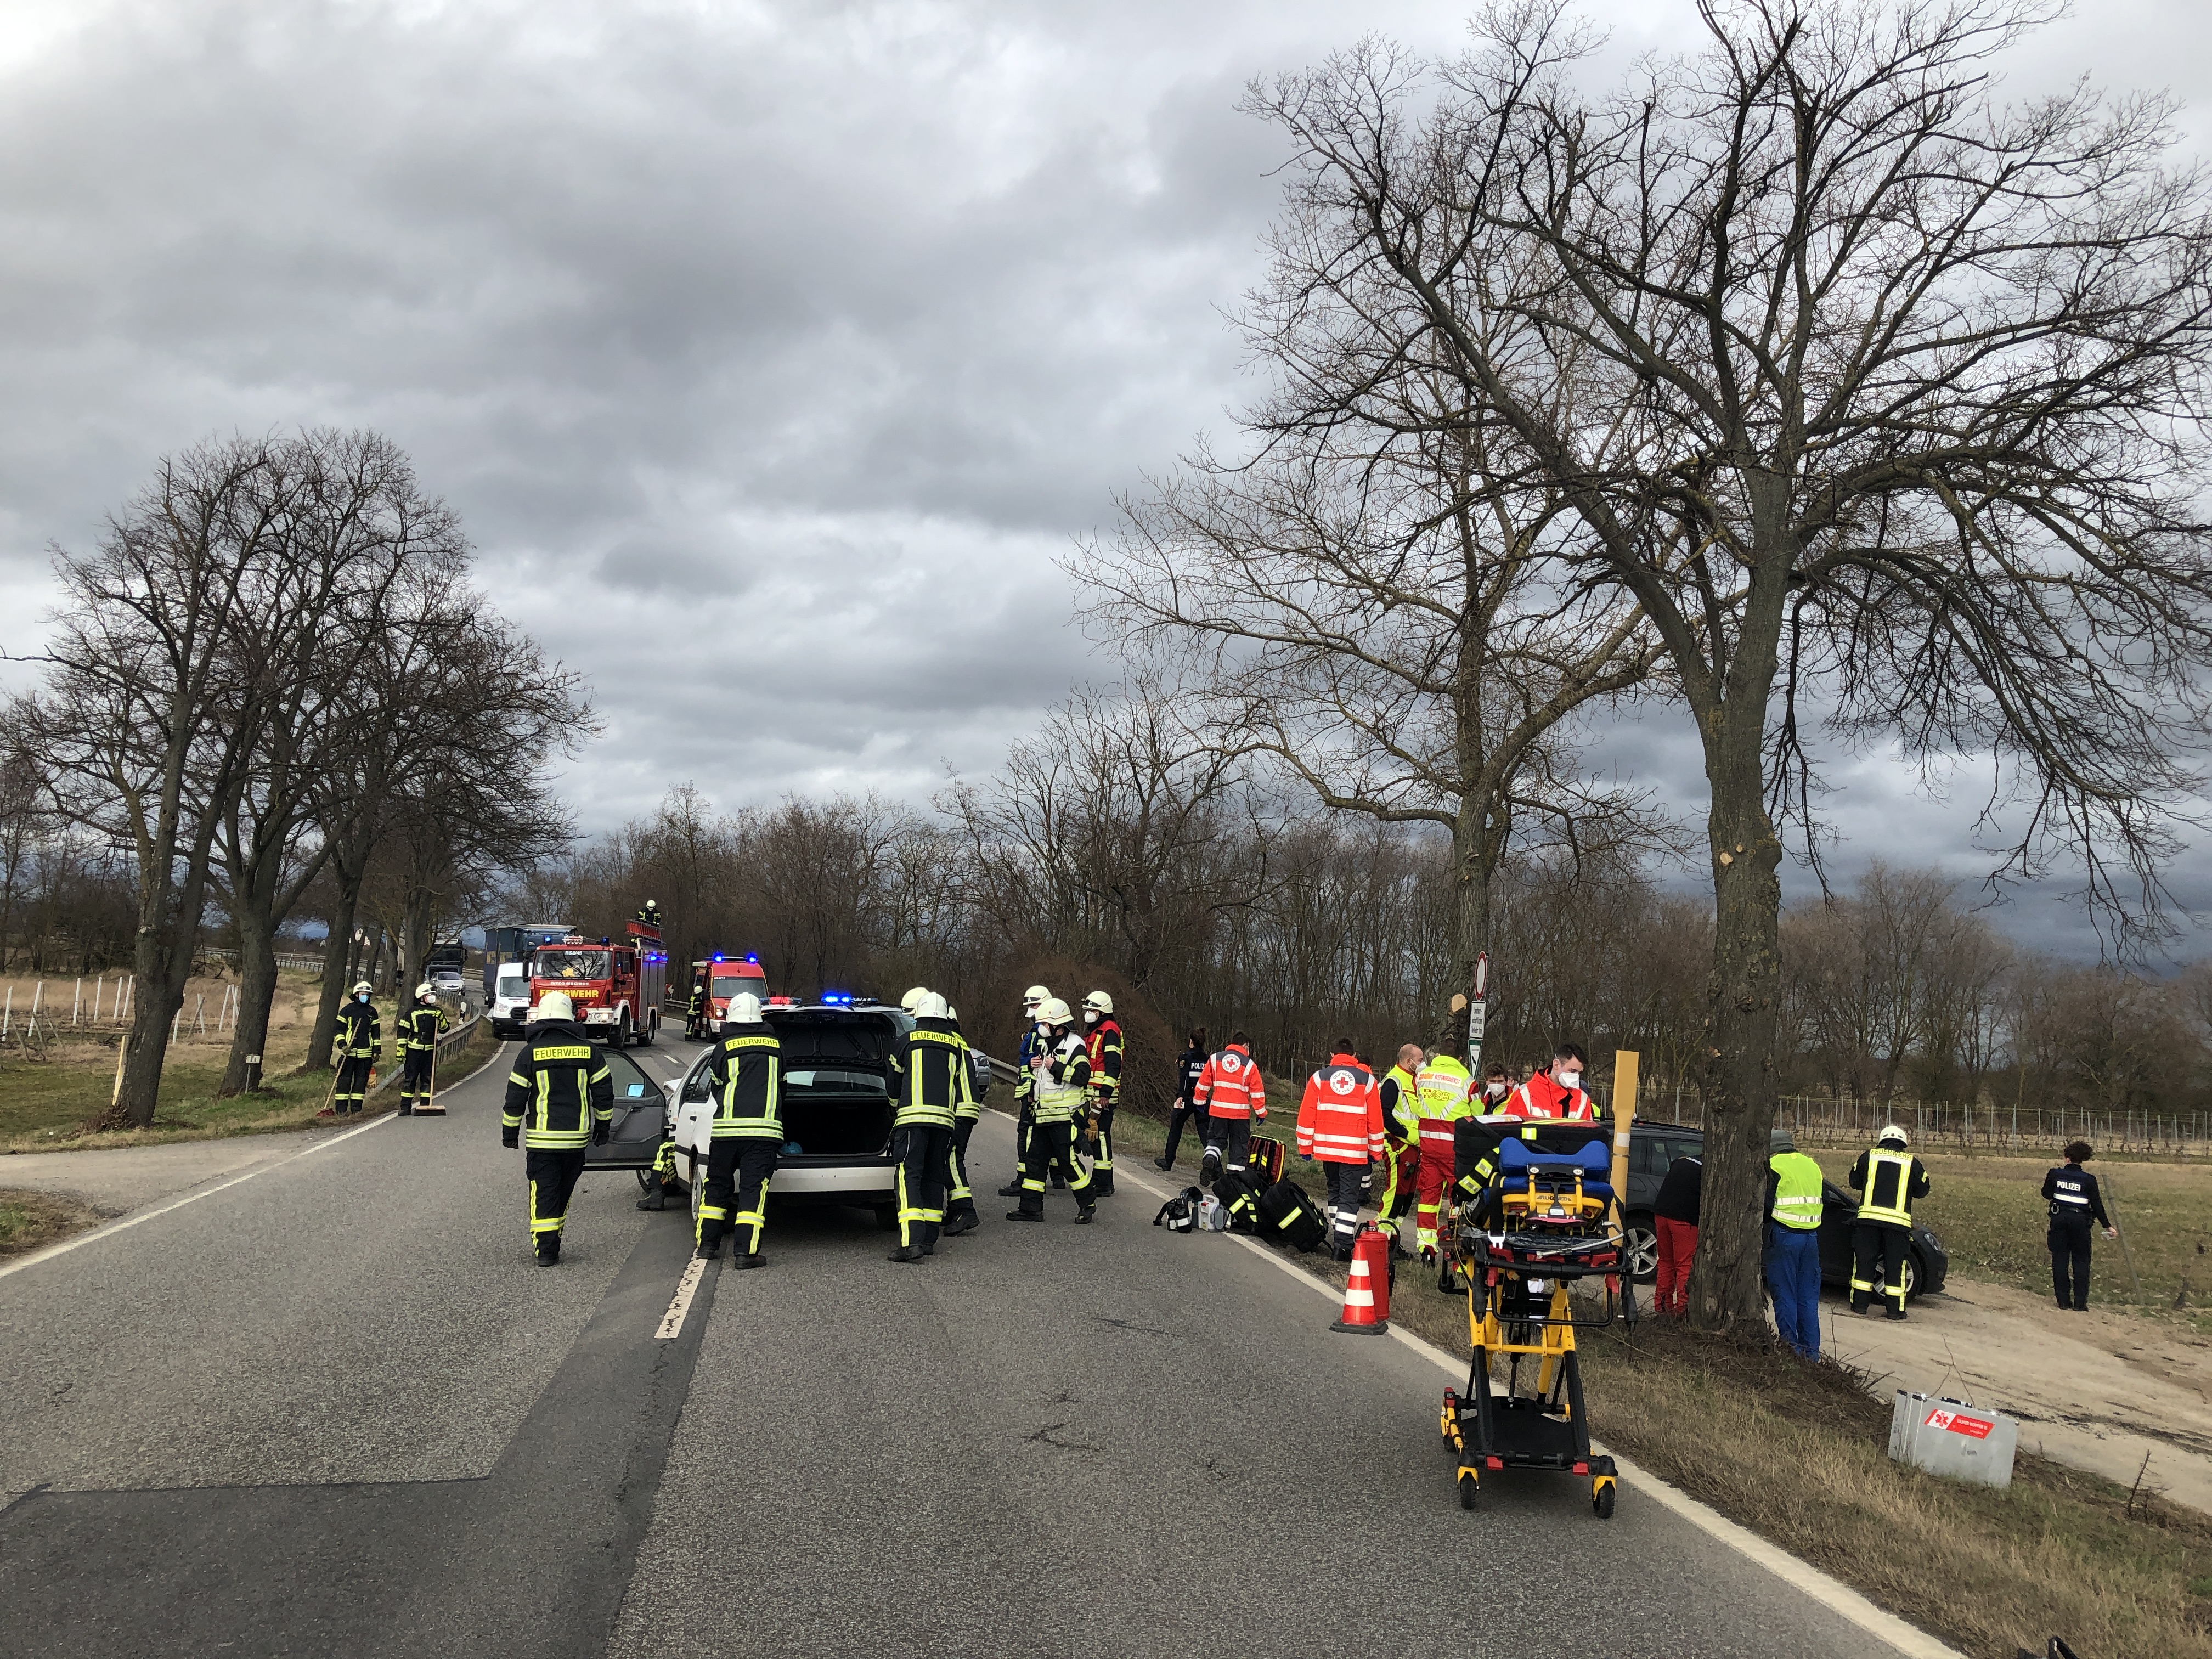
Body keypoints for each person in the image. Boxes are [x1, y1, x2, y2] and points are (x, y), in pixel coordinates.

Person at [500, 991, 613, 1265]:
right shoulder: (589, 1051)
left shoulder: (530, 1053)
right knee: (563, 1190)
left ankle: (547, 1250)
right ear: (570, 1018)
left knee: (544, 1191)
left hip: (543, 1140)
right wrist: (603, 1128)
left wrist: (510, 1133)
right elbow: (604, 1093)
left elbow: (515, 1098)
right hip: (576, 1140)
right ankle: (553, 1237)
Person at [693, 991, 781, 1267]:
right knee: (753, 1191)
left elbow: (717, 1086)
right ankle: (745, 1253)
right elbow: (783, 1087)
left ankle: (707, 1245)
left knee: (717, 1187)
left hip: (726, 1132)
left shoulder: (723, 1048)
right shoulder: (776, 1048)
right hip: (763, 1133)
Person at [888, 992, 970, 1261]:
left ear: (919, 1016)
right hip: (945, 1123)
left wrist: (893, 1108)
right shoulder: (956, 1045)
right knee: (934, 1176)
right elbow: (962, 1085)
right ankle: (928, 1240)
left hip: (912, 1121)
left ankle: (910, 1241)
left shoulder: (906, 1041)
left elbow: (893, 1084)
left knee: (909, 1176)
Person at [1008, 997, 1098, 1224]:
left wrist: (1055, 1067)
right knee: (1035, 1162)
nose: (1042, 1028)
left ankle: (1088, 1204)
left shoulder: (1075, 1044)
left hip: (1065, 1117)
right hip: (1043, 1115)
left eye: (1046, 1024)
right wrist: (1032, 1075)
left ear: (1058, 1025)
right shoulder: (1046, 1045)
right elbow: (1043, 1079)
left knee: (1068, 1163)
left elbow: (1082, 1077)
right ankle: (1030, 1209)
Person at [1297, 1041, 1385, 1259]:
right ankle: (1343, 1246)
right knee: (1348, 1199)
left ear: (1332, 1054)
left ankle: (1339, 1235)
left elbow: (1307, 1115)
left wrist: (1305, 1147)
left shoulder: (1319, 1078)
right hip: (1354, 1152)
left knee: (1335, 1193)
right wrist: (1376, 1152)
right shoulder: (1367, 1081)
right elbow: (1375, 1121)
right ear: (1354, 1055)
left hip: (1328, 1150)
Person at [1849, 1124, 1930, 1320]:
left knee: (1864, 1264)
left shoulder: (1869, 1156)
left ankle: (1859, 1306)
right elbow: (1923, 1190)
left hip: (1868, 1221)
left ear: (1882, 1140)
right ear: (1903, 1143)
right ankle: (1895, 1311)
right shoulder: (1912, 1162)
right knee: (1895, 1267)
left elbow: (1854, 1181)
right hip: (1898, 1225)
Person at [1764, 1127, 1826, 1357]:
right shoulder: (1812, 1165)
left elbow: (1765, 1204)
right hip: (1811, 1239)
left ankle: (1791, 1352)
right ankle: (1812, 1355)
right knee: (1808, 1300)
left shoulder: (1774, 1166)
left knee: (1785, 1296)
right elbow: (1824, 1198)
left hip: (1784, 1236)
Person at [1411, 1042, 1474, 1262]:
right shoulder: (1466, 1080)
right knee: (1458, 1201)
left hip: (1428, 1148)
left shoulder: (1422, 1077)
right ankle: (1455, 1251)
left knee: (1428, 1198)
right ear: (1460, 1058)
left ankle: (1426, 1248)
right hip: (1454, 1150)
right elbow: (1478, 1114)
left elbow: (1418, 1106)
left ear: (1438, 1055)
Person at [2043, 1139, 2118, 1312]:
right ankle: (2080, 1303)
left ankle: (2063, 1301)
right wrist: (2107, 1226)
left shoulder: (2055, 1174)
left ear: (2067, 1158)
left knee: (2060, 1260)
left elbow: (2046, 1194)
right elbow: (2097, 1204)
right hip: (2081, 1223)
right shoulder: (2089, 1180)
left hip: (2059, 1219)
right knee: (2081, 1261)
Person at [997, 985, 1052, 1198]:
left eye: (1034, 1005)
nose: (1030, 1009)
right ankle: (1048, 1176)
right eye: (1029, 1005)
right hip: (1035, 1090)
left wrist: (1031, 1088)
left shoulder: (1041, 1032)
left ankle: (1025, 1179)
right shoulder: (1038, 1030)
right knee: (1039, 1134)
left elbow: (1038, 1063)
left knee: (1028, 1134)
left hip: (1035, 1092)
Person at [1373, 1042, 1425, 1255]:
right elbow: (1383, 1115)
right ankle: (1381, 1240)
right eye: (1421, 1060)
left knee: (1407, 1196)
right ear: (1408, 1060)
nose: (1423, 1064)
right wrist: (1406, 1135)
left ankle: (1393, 1238)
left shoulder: (1414, 1081)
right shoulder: (1393, 1081)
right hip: (1399, 1146)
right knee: (1395, 1194)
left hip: (1414, 1146)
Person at [1194, 1032, 1265, 1186]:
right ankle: (1234, 1183)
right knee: (1239, 1147)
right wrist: (1261, 1112)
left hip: (1218, 1111)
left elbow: (1203, 1083)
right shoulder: (1249, 1065)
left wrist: (1199, 1101)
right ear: (1245, 1046)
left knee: (1215, 1141)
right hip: (1239, 1115)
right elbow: (1257, 1091)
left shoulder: (1215, 1059)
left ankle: (1210, 1159)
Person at [942, 1002, 983, 1236]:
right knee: (951, 1158)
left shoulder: (949, 1042)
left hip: (958, 1109)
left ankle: (966, 1211)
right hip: (964, 1108)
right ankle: (954, 1210)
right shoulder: (958, 1041)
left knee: (951, 1159)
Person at [1082, 990, 1124, 1196]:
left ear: (1102, 1012)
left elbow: (1113, 1066)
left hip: (1103, 1096)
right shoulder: (1096, 1031)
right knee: (1095, 1135)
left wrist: (1105, 1095)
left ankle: (1104, 1182)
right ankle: (1099, 1180)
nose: (1088, 1013)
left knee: (1101, 1136)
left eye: (1092, 1010)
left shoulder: (1110, 1032)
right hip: (1094, 1093)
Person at [1652, 1148, 1702, 1317]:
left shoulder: (1682, 1161)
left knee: (1666, 1262)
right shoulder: (1707, 1171)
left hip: (1661, 1214)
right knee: (1685, 1265)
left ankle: (1662, 1308)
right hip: (1684, 1219)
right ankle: (1683, 1311)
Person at [1156, 1027, 1211, 1171]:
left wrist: (1181, 1095)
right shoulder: (1208, 1060)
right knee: (1205, 1132)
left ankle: (1168, 1162)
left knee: (1176, 1126)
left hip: (1187, 1098)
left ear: (1191, 1042)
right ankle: (1216, 1168)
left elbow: (1185, 1078)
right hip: (1203, 1099)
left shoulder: (1186, 1058)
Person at [1504, 1043, 1599, 1120]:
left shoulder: (1582, 1099)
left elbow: (1588, 1136)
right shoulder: (1526, 1093)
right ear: (1557, 1065)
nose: (1576, 1076)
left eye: (1579, 1072)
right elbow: (1506, 1130)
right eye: (1572, 1071)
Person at [398, 984, 449, 1116]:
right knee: (410, 1078)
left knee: (427, 1078)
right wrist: (400, 1050)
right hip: (414, 1051)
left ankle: (425, 1105)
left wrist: (441, 1017)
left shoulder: (437, 1012)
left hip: (430, 1051)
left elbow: (445, 1028)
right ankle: (405, 1107)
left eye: (432, 995)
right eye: (429, 995)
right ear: (422, 997)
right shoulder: (412, 1012)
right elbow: (403, 1031)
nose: (432, 997)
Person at [331, 981, 381, 1115]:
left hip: (366, 1055)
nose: (365, 996)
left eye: (367, 994)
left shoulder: (372, 1012)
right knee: (344, 1082)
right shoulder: (347, 1010)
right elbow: (338, 1030)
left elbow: (376, 1033)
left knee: (360, 1083)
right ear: (356, 995)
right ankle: (341, 1110)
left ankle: (357, 1110)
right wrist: (343, 1046)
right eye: (363, 994)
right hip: (349, 1054)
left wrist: (377, 1051)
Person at [685, 970, 708, 1040]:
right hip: (693, 1014)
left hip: (690, 1012)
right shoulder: (697, 999)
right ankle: (688, 1037)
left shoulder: (694, 997)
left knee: (690, 1025)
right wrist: (699, 1014)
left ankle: (688, 1036)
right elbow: (697, 1008)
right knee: (691, 1025)